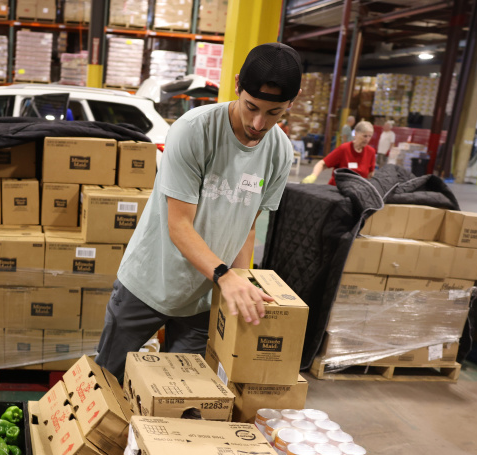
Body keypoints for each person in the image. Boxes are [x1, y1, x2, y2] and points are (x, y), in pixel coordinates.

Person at [93, 42, 302, 381]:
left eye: (274, 113)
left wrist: (242, 281)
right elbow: (179, 225)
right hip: (150, 284)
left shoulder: (279, 151)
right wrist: (225, 276)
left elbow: (248, 227)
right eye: (251, 107)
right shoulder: (195, 130)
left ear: (291, 103)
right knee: (106, 385)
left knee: (178, 400)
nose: (259, 123)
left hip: (203, 299)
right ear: (237, 85)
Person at [302, 120, 375, 185]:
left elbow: (370, 174)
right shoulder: (344, 149)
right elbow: (322, 164)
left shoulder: (371, 152)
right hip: (337, 190)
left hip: (357, 192)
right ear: (355, 134)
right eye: (365, 136)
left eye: (369, 136)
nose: (367, 139)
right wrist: (313, 175)